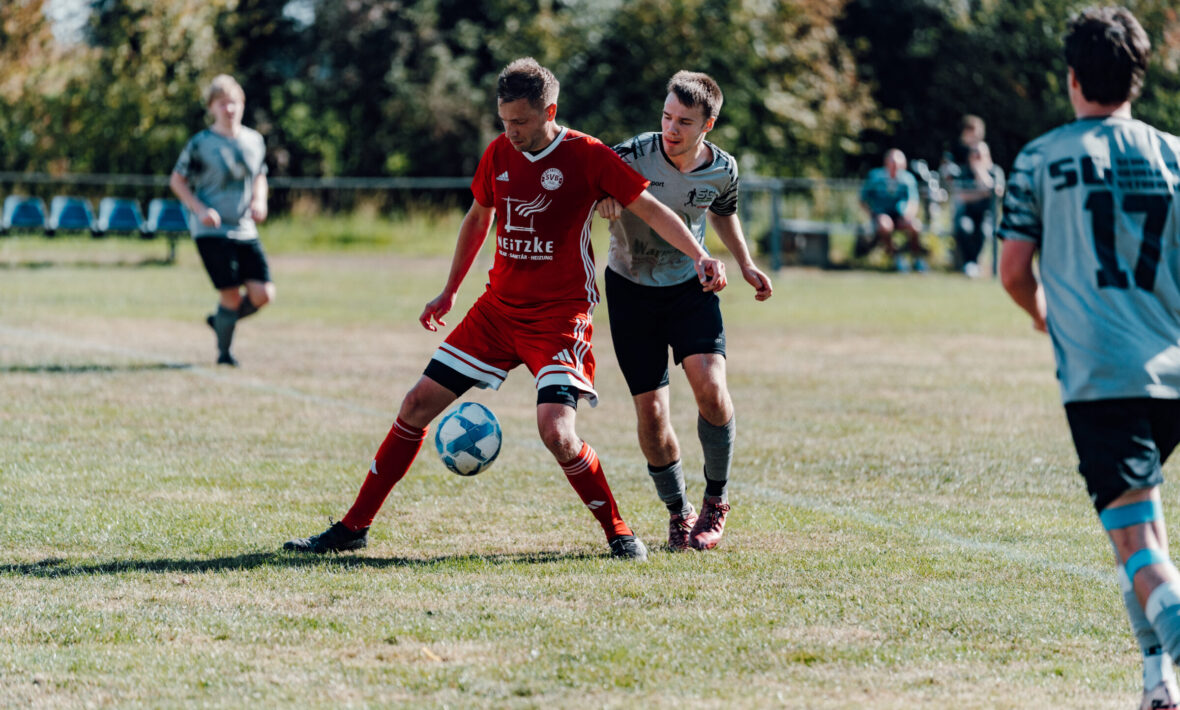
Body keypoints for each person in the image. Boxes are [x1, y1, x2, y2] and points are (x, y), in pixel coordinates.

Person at [284, 58, 728, 562]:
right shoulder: (498, 152)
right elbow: (479, 217)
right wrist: (449, 290)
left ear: (549, 112)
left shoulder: (588, 155)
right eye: (504, 120)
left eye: (520, 121)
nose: (510, 131)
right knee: (414, 405)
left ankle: (618, 532)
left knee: (556, 432)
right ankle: (353, 527)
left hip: (559, 318)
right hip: (496, 313)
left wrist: (700, 255)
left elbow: (651, 210)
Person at [998, 8, 1180, 708]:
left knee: (1136, 546)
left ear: (1072, 78)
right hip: (1171, 370)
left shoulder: (1040, 158)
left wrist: (1044, 314)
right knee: (1142, 530)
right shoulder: (1174, 153)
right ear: (1138, 77)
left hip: (1104, 376)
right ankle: (1157, 682)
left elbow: (1014, 271)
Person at [595, 71, 772, 551]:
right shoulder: (630, 154)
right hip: (631, 289)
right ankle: (679, 511)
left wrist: (746, 264)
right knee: (653, 415)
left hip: (690, 286)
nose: (671, 129)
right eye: (667, 116)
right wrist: (603, 197)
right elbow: (585, 190)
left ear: (707, 125)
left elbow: (723, 211)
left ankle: (716, 500)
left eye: (684, 122)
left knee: (712, 390)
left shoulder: (723, 168)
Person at [169, 74, 273, 367]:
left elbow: (260, 176)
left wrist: (260, 200)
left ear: (243, 104)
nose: (229, 109)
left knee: (263, 294)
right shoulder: (201, 143)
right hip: (211, 231)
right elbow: (177, 181)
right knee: (230, 294)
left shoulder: (254, 140)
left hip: (245, 228)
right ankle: (224, 354)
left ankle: (221, 321)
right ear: (211, 108)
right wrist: (200, 209)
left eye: (234, 102)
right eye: (222, 103)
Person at [942, 115, 1004, 278]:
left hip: (987, 215)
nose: (976, 157)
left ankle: (975, 263)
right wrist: (983, 193)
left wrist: (980, 171)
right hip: (967, 213)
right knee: (964, 227)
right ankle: (969, 264)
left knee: (983, 230)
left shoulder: (995, 171)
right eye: (974, 154)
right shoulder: (964, 171)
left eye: (980, 154)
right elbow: (962, 195)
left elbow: (996, 192)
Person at [858, 149, 926, 272]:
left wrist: (909, 213)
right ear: (886, 162)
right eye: (893, 163)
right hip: (881, 214)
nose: (896, 167)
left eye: (899, 164)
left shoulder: (908, 179)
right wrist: (871, 214)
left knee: (915, 226)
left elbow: (913, 201)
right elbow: (863, 199)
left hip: (901, 215)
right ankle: (896, 257)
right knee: (885, 225)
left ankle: (917, 258)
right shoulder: (875, 177)